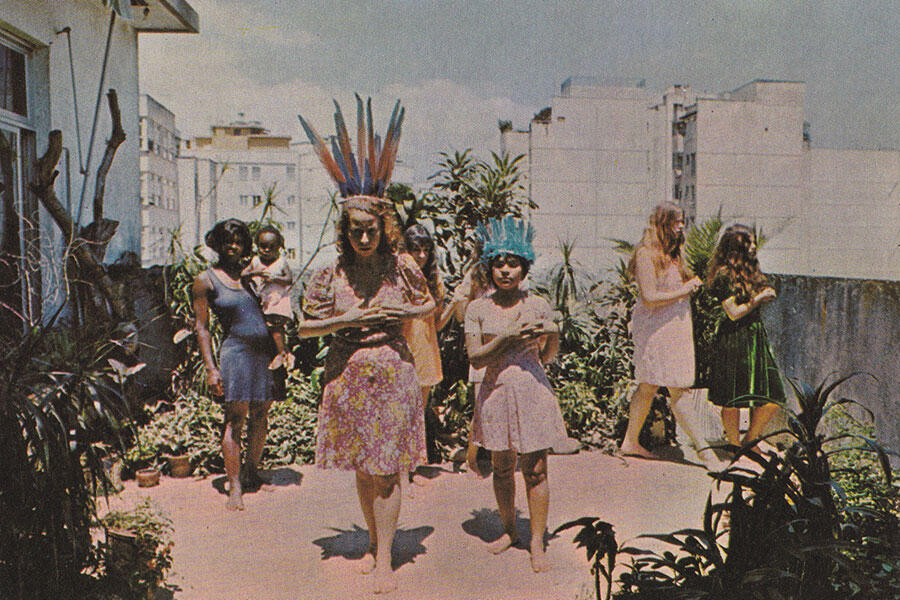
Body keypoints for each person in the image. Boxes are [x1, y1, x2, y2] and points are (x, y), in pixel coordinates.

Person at [297, 97, 434, 594]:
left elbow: (428, 305)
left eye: (370, 230)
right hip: (348, 375)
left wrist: (405, 314)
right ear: (344, 230)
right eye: (354, 231)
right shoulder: (328, 273)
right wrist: (347, 317)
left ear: (384, 227)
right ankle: (378, 545)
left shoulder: (402, 267)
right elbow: (305, 328)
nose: (363, 239)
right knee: (363, 466)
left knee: (387, 471)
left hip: (394, 373)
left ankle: (384, 559)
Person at [465, 216, 567, 573]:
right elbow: (475, 357)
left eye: (513, 263)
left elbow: (548, 355)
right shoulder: (478, 308)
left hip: (531, 390)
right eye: (498, 263)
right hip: (495, 391)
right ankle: (510, 530)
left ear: (525, 267)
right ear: (489, 267)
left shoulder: (537, 304)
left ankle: (536, 540)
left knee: (536, 469)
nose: (505, 271)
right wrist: (506, 338)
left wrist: (552, 331)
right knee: (502, 466)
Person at [192, 219, 284, 511]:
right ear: (216, 244)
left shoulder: (252, 276)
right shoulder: (205, 280)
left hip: (264, 353)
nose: (233, 246)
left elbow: (277, 306)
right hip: (236, 353)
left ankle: (252, 472)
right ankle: (234, 485)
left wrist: (282, 351)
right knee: (235, 419)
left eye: (239, 241)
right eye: (227, 241)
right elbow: (202, 328)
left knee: (261, 414)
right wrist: (210, 368)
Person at [618, 203, 714, 467]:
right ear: (662, 223)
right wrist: (685, 290)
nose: (681, 226)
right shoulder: (646, 254)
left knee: (649, 386)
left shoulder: (672, 253)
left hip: (674, 329)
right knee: (677, 389)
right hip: (656, 330)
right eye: (676, 221)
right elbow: (649, 298)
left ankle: (629, 441)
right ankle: (706, 454)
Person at [705, 224, 785, 454]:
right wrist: (759, 298)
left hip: (754, 338)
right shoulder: (722, 275)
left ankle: (750, 439)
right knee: (732, 399)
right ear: (734, 249)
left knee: (772, 396)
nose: (753, 247)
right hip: (733, 340)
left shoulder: (750, 271)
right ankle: (734, 445)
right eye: (747, 243)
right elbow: (733, 313)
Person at [401, 224, 446, 470]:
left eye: (425, 250)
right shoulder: (396, 277)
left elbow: (437, 324)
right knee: (400, 411)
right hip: (401, 351)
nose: (420, 255)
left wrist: (451, 304)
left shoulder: (434, 280)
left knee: (417, 413)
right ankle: (398, 467)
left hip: (426, 351)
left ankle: (412, 467)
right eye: (415, 249)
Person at [241, 224, 295, 370]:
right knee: (266, 327)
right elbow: (243, 275)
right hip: (262, 300)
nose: (266, 250)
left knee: (275, 325)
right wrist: (255, 273)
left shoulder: (281, 262)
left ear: (278, 248)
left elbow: (289, 279)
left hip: (277, 300)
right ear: (257, 246)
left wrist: (276, 278)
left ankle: (281, 353)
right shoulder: (255, 262)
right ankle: (281, 352)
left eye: (271, 247)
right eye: (262, 246)